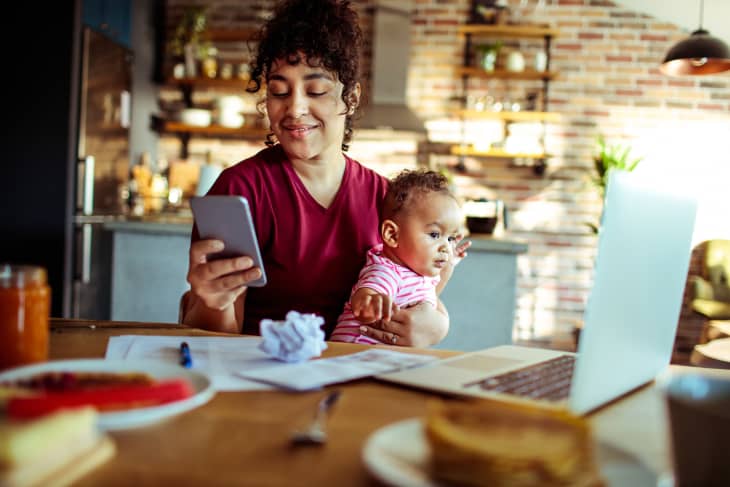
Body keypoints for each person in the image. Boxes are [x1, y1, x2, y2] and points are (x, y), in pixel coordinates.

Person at [182, 0, 461, 347]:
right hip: (265, 379)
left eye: (316, 91)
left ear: (352, 98)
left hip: (355, 381)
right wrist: (212, 302)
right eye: (279, 91)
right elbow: (211, 339)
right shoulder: (239, 190)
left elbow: (416, 288)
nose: (295, 108)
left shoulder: (386, 199)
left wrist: (436, 324)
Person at [330, 169, 468, 345]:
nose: (446, 247)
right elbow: (367, 293)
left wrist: (449, 265)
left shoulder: (416, 272)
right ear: (392, 235)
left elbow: (431, 295)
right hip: (351, 354)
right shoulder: (387, 270)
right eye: (434, 234)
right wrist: (370, 302)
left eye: (450, 238)